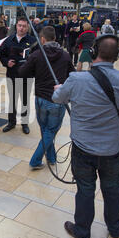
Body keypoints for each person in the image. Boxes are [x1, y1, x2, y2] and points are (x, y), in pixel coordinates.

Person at [52, 34, 119, 238]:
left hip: (82, 149)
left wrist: (60, 89)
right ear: (117, 57)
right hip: (112, 150)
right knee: (113, 189)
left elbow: (57, 98)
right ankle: (115, 228)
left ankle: (82, 232)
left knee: (85, 190)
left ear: (93, 53)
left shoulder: (76, 79)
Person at [19, 26, 74, 169]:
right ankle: (40, 160)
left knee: (46, 130)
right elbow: (72, 76)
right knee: (49, 130)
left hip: (41, 99)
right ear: (55, 38)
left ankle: (49, 158)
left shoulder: (36, 55)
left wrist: (30, 66)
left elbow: (22, 73)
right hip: (57, 100)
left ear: (42, 39)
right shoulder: (66, 56)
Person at [0, 17, 36, 134]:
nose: (21, 28)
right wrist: (6, 63)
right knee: (12, 100)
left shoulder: (33, 41)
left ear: (27, 27)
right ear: (16, 26)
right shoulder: (8, 40)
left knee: (25, 101)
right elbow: (2, 55)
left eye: (24, 26)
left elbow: (37, 57)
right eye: (20, 25)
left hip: (26, 76)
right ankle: (11, 122)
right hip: (12, 74)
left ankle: (24, 123)